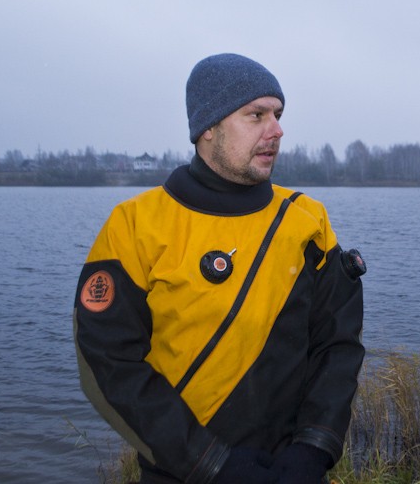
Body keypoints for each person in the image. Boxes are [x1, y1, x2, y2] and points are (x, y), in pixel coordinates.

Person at [74, 53, 366, 484]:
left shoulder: (307, 221)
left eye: (278, 114)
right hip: (184, 473)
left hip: (295, 472)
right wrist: (210, 463)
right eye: (256, 115)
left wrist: (314, 448)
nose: (277, 129)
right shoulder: (136, 226)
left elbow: (337, 344)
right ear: (207, 128)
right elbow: (108, 364)